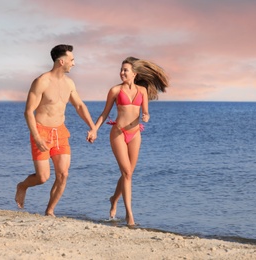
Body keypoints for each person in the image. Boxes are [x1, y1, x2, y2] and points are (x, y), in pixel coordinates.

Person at [15, 44, 97, 217]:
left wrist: (93, 127)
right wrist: (36, 137)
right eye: (71, 60)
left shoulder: (69, 83)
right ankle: (22, 186)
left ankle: (50, 210)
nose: (73, 63)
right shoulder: (41, 82)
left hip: (60, 131)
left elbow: (79, 106)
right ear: (61, 61)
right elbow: (28, 111)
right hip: (41, 132)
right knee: (42, 177)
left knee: (63, 174)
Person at [92, 57, 169, 225]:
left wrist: (146, 116)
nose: (122, 73)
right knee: (126, 173)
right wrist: (94, 129)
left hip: (135, 134)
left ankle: (114, 199)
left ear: (134, 74)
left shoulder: (142, 91)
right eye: (121, 70)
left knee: (128, 174)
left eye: (125, 70)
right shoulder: (115, 91)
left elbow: (146, 112)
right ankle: (130, 216)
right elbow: (104, 113)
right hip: (118, 133)